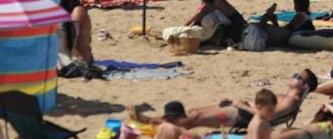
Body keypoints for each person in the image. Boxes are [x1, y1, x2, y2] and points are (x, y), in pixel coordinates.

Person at [132, 71, 315, 133]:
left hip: (242, 116)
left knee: (196, 118)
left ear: (304, 85)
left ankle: (150, 121)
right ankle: (156, 120)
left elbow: (268, 115)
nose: (293, 76)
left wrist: (242, 105)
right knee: (194, 110)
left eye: (298, 76)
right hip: (240, 109)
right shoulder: (286, 96)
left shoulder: (291, 101)